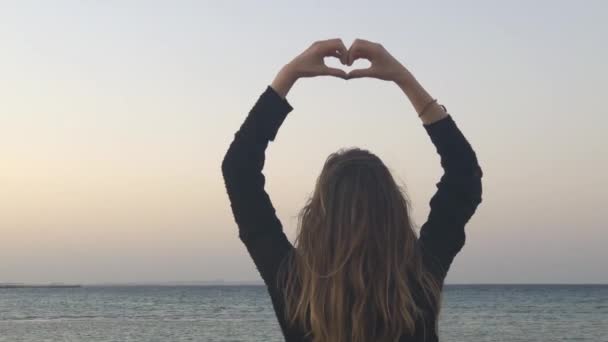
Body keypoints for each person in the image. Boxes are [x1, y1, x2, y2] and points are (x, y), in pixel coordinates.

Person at [221, 38, 483, 342]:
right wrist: (403, 78)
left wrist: (289, 75)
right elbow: (464, 175)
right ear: (393, 210)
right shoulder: (420, 278)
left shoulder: (294, 285)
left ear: (318, 214)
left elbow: (239, 170)